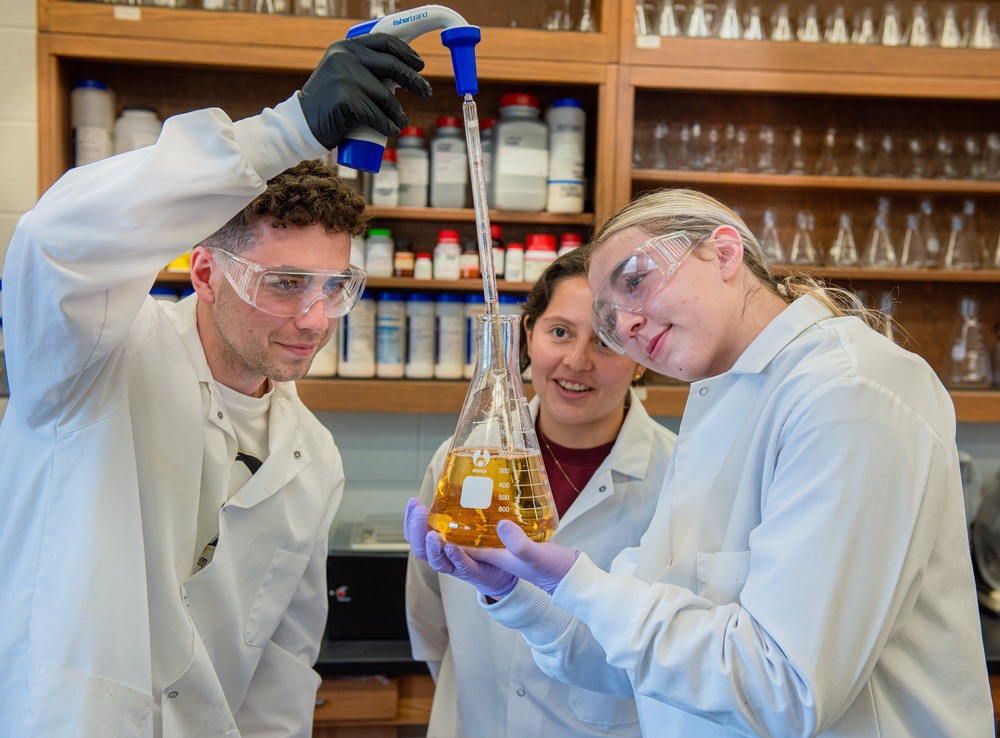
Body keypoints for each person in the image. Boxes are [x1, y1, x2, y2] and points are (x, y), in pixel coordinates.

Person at [406, 188, 994, 737]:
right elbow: (634, 657)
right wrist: (519, 593)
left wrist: (577, 581)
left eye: (634, 283)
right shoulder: (724, 403)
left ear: (724, 250)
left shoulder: (849, 392)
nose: (626, 326)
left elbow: (786, 685)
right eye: (613, 321)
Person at [0, 34, 432, 737]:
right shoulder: (92, 361)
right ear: (205, 273)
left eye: (336, 287)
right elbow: (57, 239)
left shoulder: (313, 457)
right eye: (285, 284)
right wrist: (287, 130)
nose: (315, 318)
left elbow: (282, 665)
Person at [405, 249, 677, 737]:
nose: (577, 361)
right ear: (527, 334)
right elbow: (429, 616)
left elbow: (674, 655)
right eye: (560, 332)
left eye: (607, 341)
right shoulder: (463, 459)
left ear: (640, 356)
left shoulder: (677, 476)